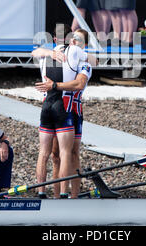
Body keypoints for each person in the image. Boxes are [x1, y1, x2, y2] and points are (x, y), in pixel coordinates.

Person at [32, 24, 89, 198]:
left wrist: (48, 53)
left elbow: (34, 52)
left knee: (66, 154)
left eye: (80, 40)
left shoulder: (82, 61)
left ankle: (68, 194)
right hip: (64, 109)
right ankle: (60, 194)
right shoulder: (70, 52)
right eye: (75, 38)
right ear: (70, 39)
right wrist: (49, 52)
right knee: (59, 154)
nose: (76, 42)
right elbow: (36, 52)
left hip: (59, 109)